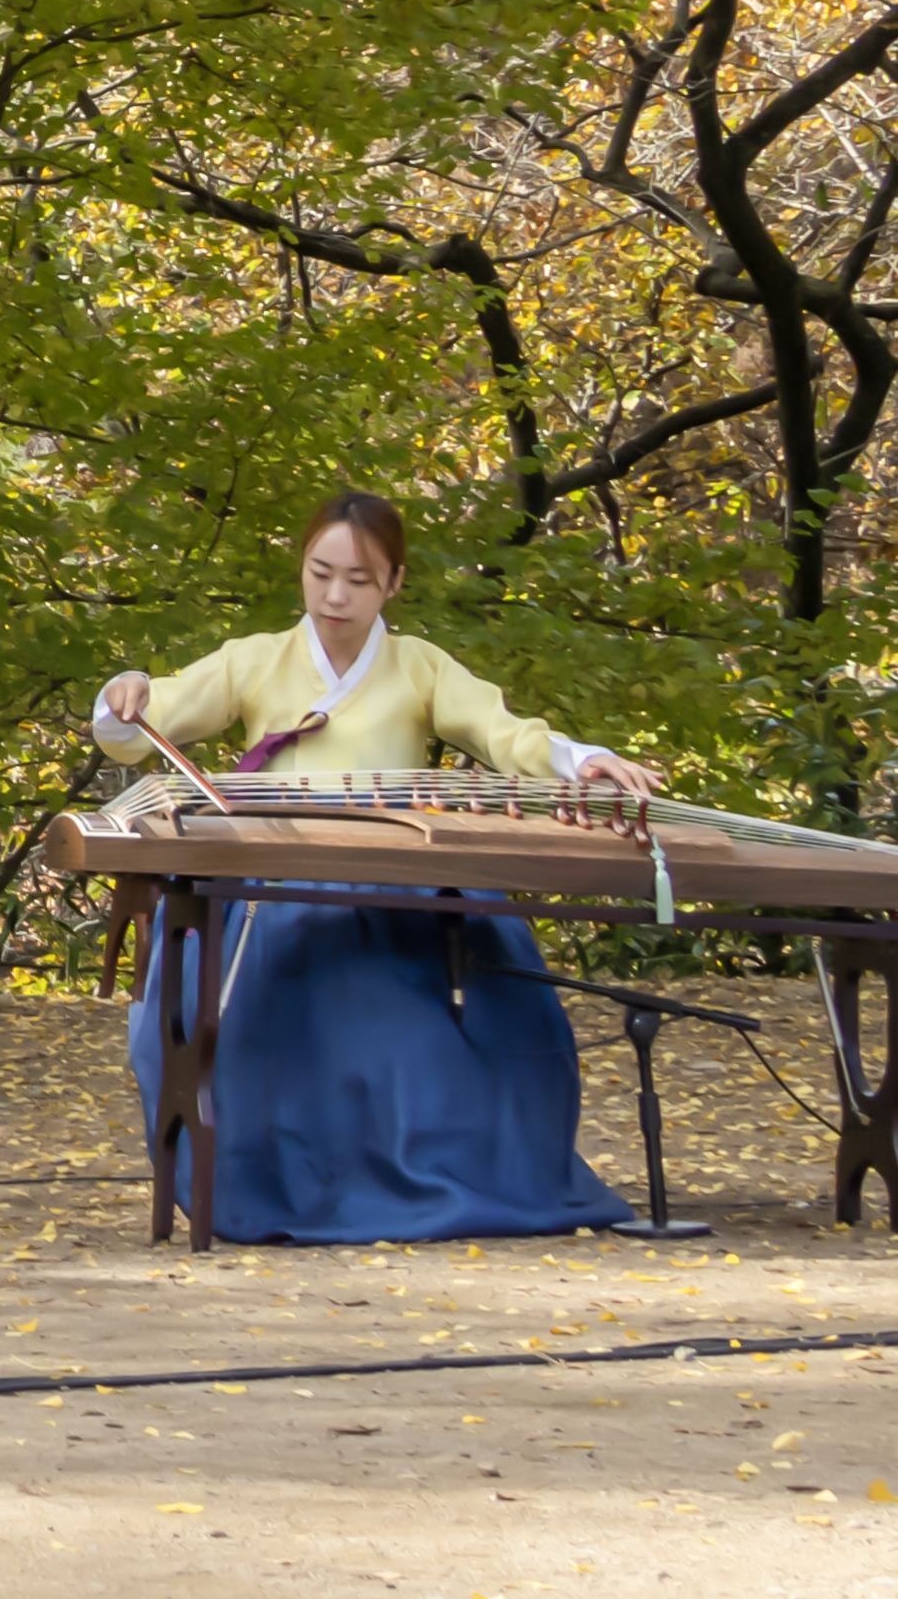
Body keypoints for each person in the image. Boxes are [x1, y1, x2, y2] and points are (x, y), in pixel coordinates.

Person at [94, 490, 651, 1243]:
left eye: (359, 580)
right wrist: (126, 695)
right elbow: (150, 716)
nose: (335, 596)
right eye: (320, 573)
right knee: (235, 1014)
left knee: (436, 1027)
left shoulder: (420, 667)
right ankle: (276, 1187)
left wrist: (579, 761)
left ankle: (439, 1178)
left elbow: (504, 733)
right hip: (272, 888)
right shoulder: (256, 660)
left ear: (393, 583)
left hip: (397, 884)